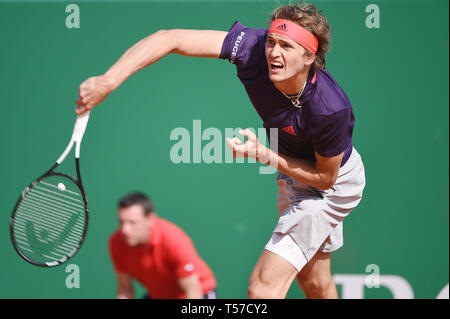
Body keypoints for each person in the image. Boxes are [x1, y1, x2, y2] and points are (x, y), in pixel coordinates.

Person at [78, 1, 366, 299]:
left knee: (262, 289)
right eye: (271, 42)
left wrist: (267, 157)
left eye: (286, 47)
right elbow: (171, 38)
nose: (274, 53)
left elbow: (325, 179)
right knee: (316, 283)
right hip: (292, 172)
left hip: (330, 187)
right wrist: (108, 81)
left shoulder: (331, 109)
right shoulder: (252, 48)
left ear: (310, 57)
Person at [108, 192, 217, 299]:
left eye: (132, 222)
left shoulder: (173, 240)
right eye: (122, 222)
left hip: (199, 293)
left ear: (150, 219)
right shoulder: (117, 242)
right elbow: (125, 289)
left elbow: (192, 291)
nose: (125, 230)